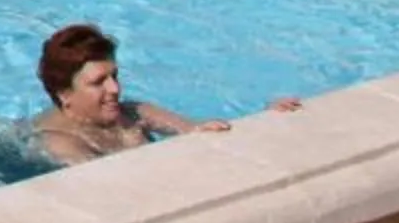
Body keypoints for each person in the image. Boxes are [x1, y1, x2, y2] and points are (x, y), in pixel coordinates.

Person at [29, 22, 300, 166]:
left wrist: (265, 121)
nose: (115, 89)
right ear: (65, 94)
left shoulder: (135, 113)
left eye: (115, 76)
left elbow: (200, 130)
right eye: (99, 82)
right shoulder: (61, 143)